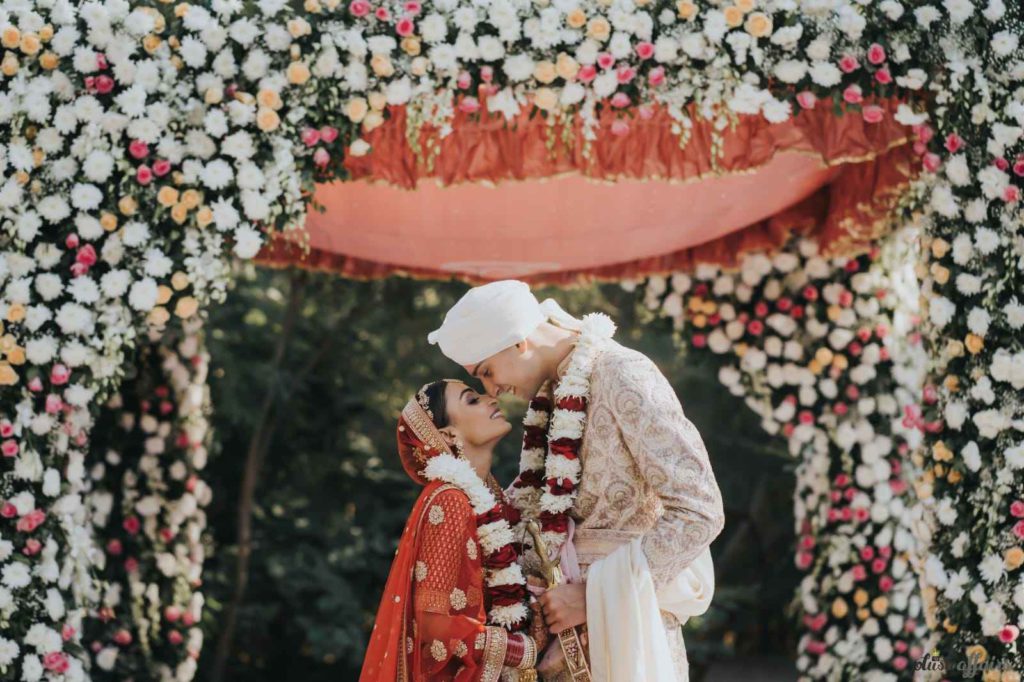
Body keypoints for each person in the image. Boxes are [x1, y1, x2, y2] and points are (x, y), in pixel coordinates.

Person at [427, 281, 724, 682]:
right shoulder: (551, 395)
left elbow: (700, 509)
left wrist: (594, 597)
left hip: (627, 640)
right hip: (556, 649)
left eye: (487, 372)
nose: (492, 390)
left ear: (518, 342)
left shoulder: (621, 372)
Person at [359, 379, 549, 682]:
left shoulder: (492, 496)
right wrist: (522, 649)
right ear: (448, 433)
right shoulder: (450, 501)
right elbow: (436, 624)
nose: (492, 400)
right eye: (472, 400)